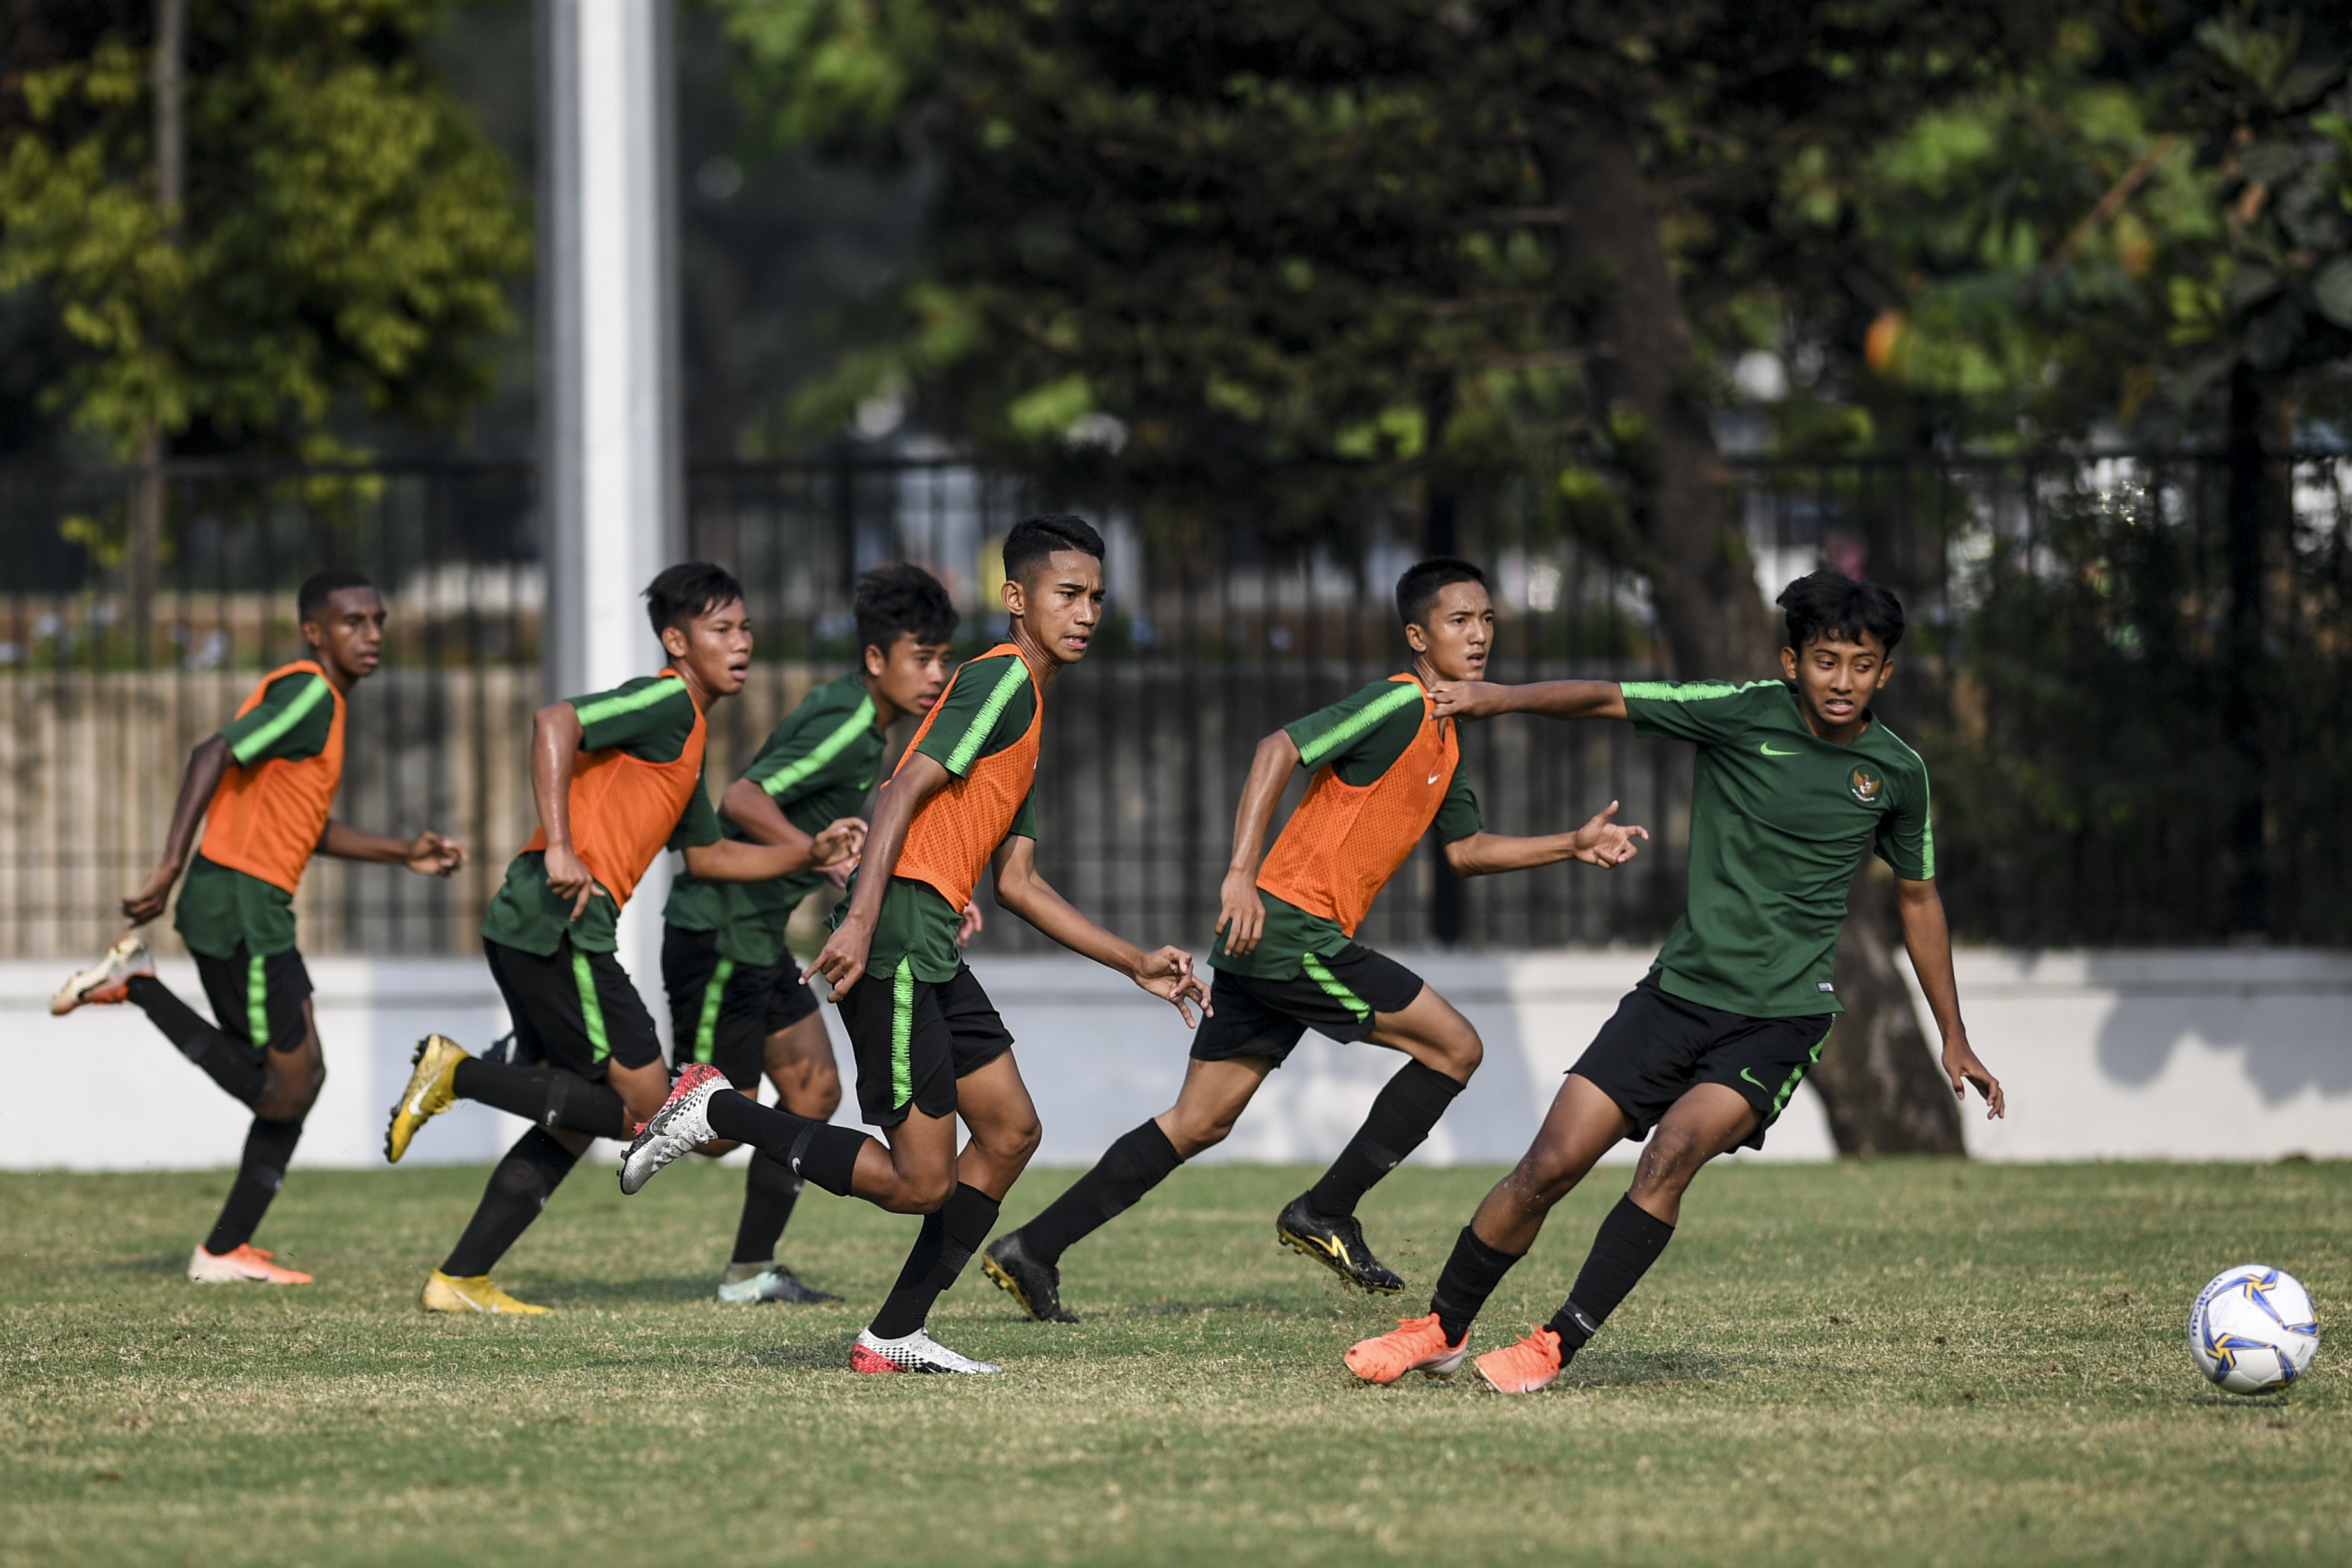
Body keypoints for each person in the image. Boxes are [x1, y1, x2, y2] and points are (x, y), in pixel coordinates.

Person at [1344, 569, 2007, 1394]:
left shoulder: (1896, 773)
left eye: (1862, 665)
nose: (1843, 682)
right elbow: (1607, 698)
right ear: (1791, 660)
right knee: (1548, 1164)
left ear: (1887, 673)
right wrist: (1499, 700)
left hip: (1779, 1021)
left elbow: (1919, 899)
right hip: (1674, 998)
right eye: (1827, 661)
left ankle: (1554, 1345)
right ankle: (1440, 1328)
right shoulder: (1739, 712)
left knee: (1673, 1152)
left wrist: (1954, 1033)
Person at [979, 557, 1649, 1323]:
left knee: (1199, 1120)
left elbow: (1465, 851)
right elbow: (1278, 747)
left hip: (1270, 940)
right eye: (1460, 620)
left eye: (1488, 619)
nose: (1479, 634)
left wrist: (1572, 842)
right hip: (1290, 929)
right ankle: (1328, 1208)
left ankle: (1034, 1246)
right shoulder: (1400, 703)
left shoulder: (1445, 737)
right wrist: (1239, 873)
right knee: (1455, 1047)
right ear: (1417, 636)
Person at [617, 515, 1210, 1375]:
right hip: (893, 938)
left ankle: (896, 1333)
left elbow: (1019, 882)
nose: (1086, 613)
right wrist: (858, 919)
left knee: (1010, 1132)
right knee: (920, 1182)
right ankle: (715, 1108)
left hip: (930, 940)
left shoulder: (1029, 708)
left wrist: (1135, 963)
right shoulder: (998, 682)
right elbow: (900, 794)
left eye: (1097, 599)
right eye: (1068, 594)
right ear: (1017, 598)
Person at [384, 562, 854, 1315]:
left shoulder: (687, 734)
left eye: (746, 628)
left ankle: (459, 1276)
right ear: (676, 641)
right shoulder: (667, 698)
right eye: (722, 630)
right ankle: (459, 1074)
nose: (742, 644)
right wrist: (562, 844)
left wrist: (809, 852)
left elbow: (707, 855)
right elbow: (554, 722)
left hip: (544, 928)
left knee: (573, 1116)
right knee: (648, 1111)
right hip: (559, 927)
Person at [50, 570, 467, 1285]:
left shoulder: (324, 704)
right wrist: (167, 866)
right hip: (239, 905)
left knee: (299, 1079)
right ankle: (140, 985)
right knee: (287, 1087)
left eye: (379, 620)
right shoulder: (307, 689)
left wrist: (403, 852)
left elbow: (305, 824)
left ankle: (225, 1248)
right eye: (353, 621)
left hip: (253, 903)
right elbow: (212, 751)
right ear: (315, 631)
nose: (371, 634)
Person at [658, 562, 961, 1307]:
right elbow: (744, 795)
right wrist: (816, 852)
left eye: (943, 658)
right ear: (875, 659)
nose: (936, 674)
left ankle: (749, 1271)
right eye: (921, 658)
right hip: (720, 929)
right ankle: (517, 1074)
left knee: (813, 1088)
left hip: (760, 936)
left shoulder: (872, 725)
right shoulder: (851, 723)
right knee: (717, 1129)